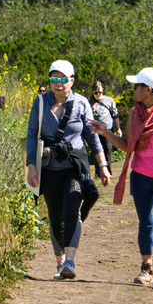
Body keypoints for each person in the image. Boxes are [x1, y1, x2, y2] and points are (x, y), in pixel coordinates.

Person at [90, 67, 153, 292]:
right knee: (145, 223)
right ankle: (147, 269)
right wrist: (105, 132)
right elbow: (128, 145)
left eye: (137, 86)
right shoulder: (136, 113)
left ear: (148, 90)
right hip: (141, 177)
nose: (134, 89)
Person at [26, 60, 110, 280]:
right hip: (49, 166)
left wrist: (102, 165)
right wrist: (31, 166)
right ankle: (60, 262)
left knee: (72, 207)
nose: (58, 83)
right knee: (55, 216)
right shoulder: (40, 103)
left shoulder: (82, 103)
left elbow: (92, 137)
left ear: (72, 81)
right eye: (54, 79)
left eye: (63, 79)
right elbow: (32, 135)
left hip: (74, 165)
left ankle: (70, 261)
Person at [89, 80, 121, 176]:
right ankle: (98, 172)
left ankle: (108, 171)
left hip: (108, 129)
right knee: (97, 150)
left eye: (100, 92)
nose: (98, 94)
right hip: (96, 131)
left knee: (108, 150)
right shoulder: (90, 103)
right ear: (93, 92)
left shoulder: (109, 100)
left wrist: (118, 128)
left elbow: (115, 115)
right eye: (96, 92)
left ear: (103, 90)